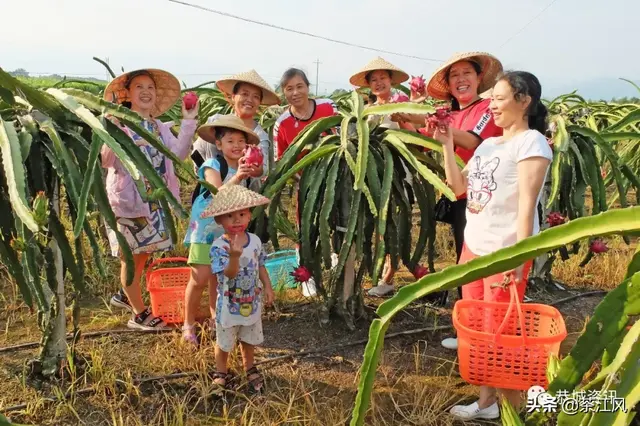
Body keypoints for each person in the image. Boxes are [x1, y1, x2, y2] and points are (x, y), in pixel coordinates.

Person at [438, 71, 553, 420]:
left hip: (505, 252)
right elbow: (458, 187)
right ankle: (486, 402)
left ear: (524, 101)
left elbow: (526, 206)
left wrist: (520, 258)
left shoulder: (532, 143)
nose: (493, 106)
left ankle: (511, 410)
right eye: (492, 99)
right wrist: (445, 143)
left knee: (501, 334)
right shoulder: (488, 144)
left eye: (500, 99)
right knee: (476, 329)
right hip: (474, 247)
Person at [415, 52, 504, 349]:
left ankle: (483, 331)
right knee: (462, 259)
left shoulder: (488, 110)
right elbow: (421, 139)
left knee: (481, 263)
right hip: (457, 194)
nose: (461, 79)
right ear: (450, 85)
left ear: (479, 79)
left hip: (482, 196)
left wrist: (440, 129)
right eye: (455, 76)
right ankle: (468, 329)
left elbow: (473, 141)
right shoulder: (449, 114)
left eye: (467, 73)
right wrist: (408, 117)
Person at [103, 68, 198, 330]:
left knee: (142, 255)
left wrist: (189, 120)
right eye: (139, 87)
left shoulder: (157, 126)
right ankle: (138, 314)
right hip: (127, 203)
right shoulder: (120, 123)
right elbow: (105, 160)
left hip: (154, 202)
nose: (146, 92)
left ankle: (125, 294)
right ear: (128, 95)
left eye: (150, 88)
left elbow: (178, 153)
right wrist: (110, 128)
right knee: (131, 258)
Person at [182, 115, 261, 345]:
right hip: (205, 231)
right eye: (230, 141)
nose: (236, 146)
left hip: (227, 231)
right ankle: (188, 324)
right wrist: (238, 176)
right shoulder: (212, 165)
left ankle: (216, 317)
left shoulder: (243, 167)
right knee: (199, 278)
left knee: (219, 276)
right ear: (218, 144)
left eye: (241, 141)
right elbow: (217, 193)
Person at [349, 57, 419, 297]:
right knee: (380, 226)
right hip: (376, 177)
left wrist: (405, 119)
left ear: (391, 80)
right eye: (374, 80)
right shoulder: (367, 111)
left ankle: (389, 277)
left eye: (382, 78)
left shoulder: (402, 104)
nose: (378, 83)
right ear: (369, 85)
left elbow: (416, 137)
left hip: (400, 175)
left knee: (396, 226)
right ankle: (384, 275)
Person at [202, 184, 275, 395]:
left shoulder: (255, 241)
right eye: (230, 216)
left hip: (251, 301)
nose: (237, 220)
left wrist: (268, 287)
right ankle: (221, 371)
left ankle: (249, 366)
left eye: (242, 214)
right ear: (219, 220)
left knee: (248, 337)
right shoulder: (218, 246)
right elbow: (229, 274)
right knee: (224, 341)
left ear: (249, 215)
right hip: (228, 304)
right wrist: (234, 257)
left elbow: (260, 265)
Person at [273, 68, 339, 297]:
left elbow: (346, 134)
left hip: (338, 177)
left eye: (299, 86)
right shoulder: (281, 123)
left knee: (341, 223)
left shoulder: (328, 107)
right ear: (283, 93)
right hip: (306, 183)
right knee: (306, 229)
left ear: (308, 87)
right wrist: (300, 178)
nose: (295, 92)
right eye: (289, 88)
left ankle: (338, 265)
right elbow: (280, 161)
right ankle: (307, 275)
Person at [191, 69, 280, 193]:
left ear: (259, 102)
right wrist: (209, 175)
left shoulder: (260, 136)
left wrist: (255, 169)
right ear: (233, 97)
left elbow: (262, 170)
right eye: (244, 94)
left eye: (256, 97)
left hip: (243, 198)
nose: (249, 99)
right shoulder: (215, 122)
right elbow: (197, 153)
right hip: (210, 192)